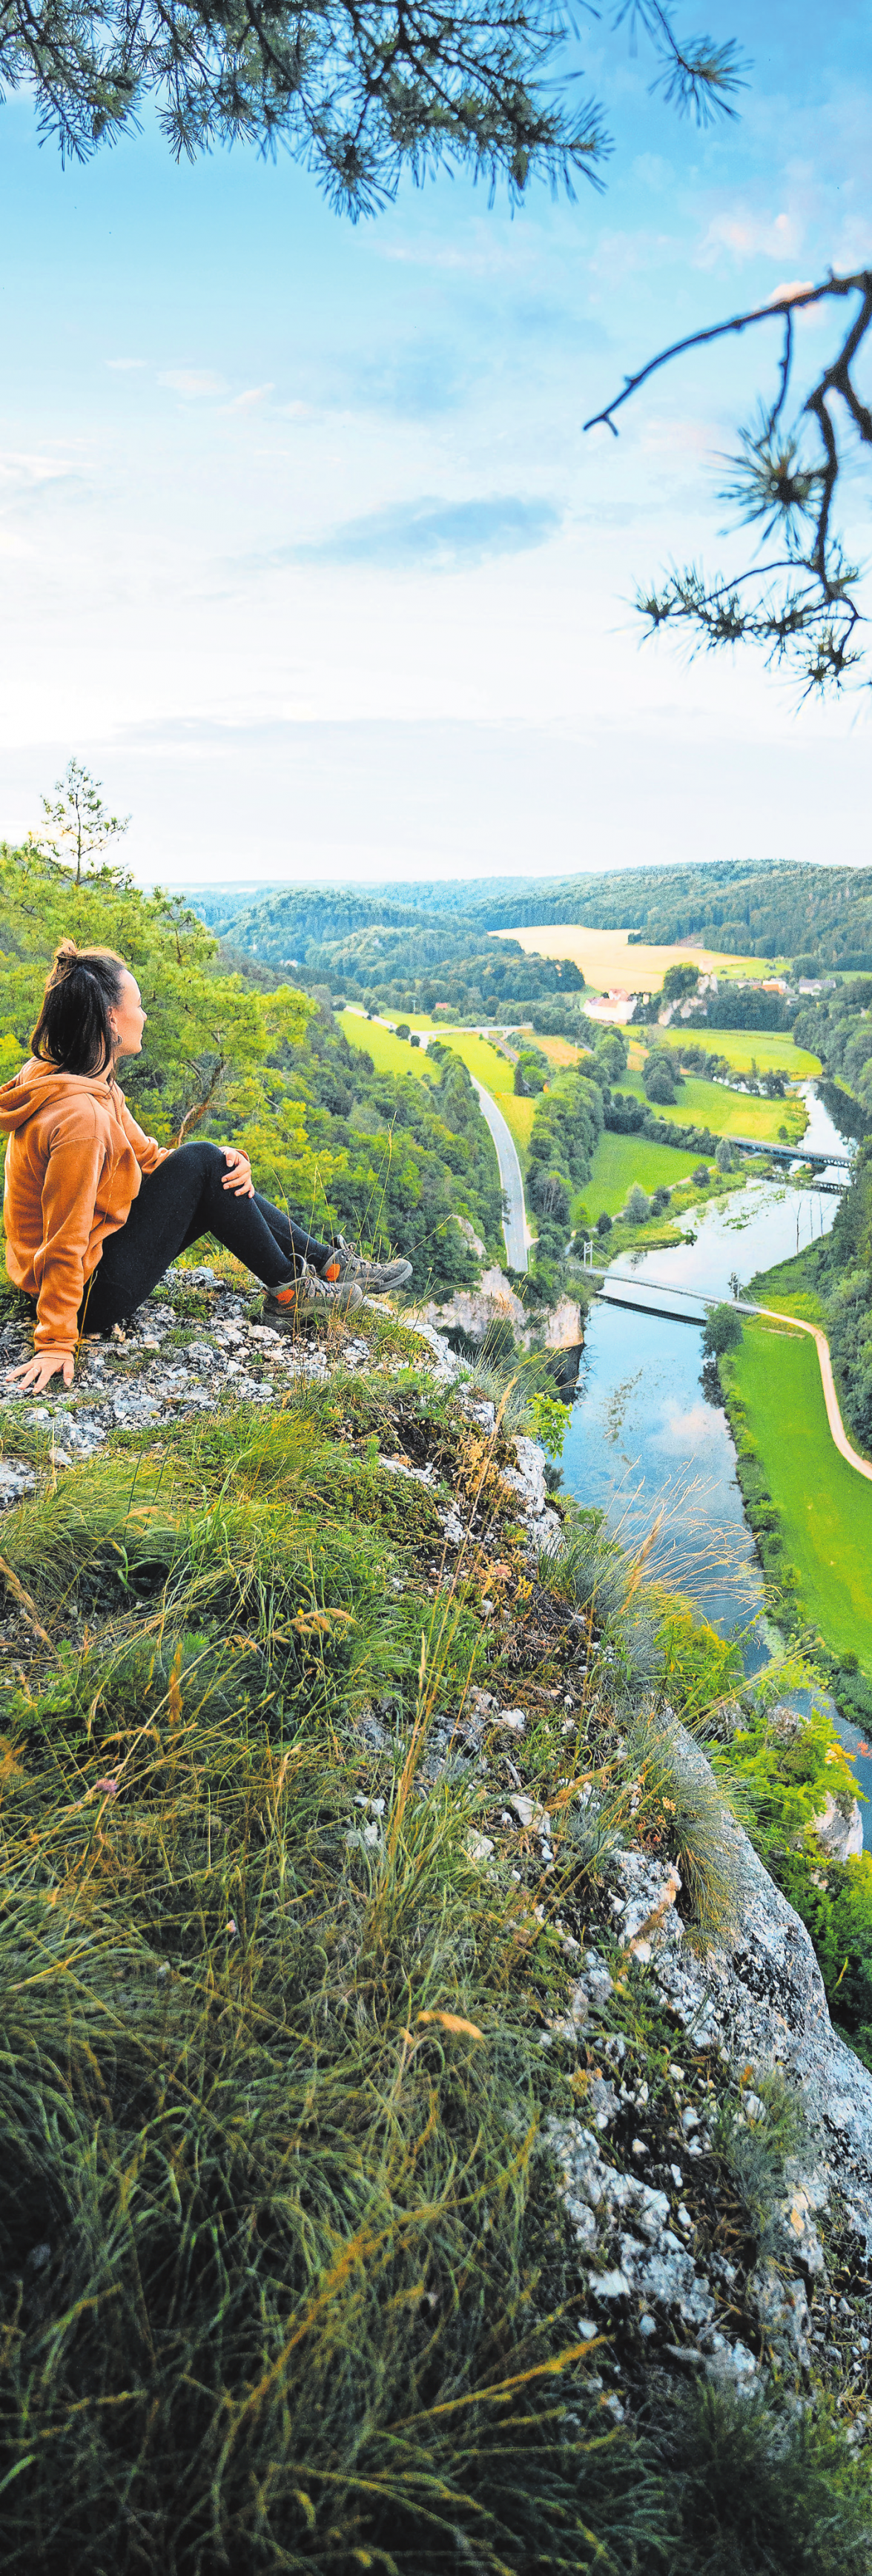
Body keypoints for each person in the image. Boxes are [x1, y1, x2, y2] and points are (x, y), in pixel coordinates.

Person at [1, 941, 412, 1397]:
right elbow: (65, 1234)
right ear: (111, 1020)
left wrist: (222, 1169)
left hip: (88, 1265)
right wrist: (56, 1341)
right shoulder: (81, 1118)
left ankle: (327, 1268)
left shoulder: (81, 1079)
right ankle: (291, 1296)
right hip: (87, 1294)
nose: (145, 1016)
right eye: (137, 1006)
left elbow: (153, 1162)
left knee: (207, 1158)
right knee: (201, 1157)